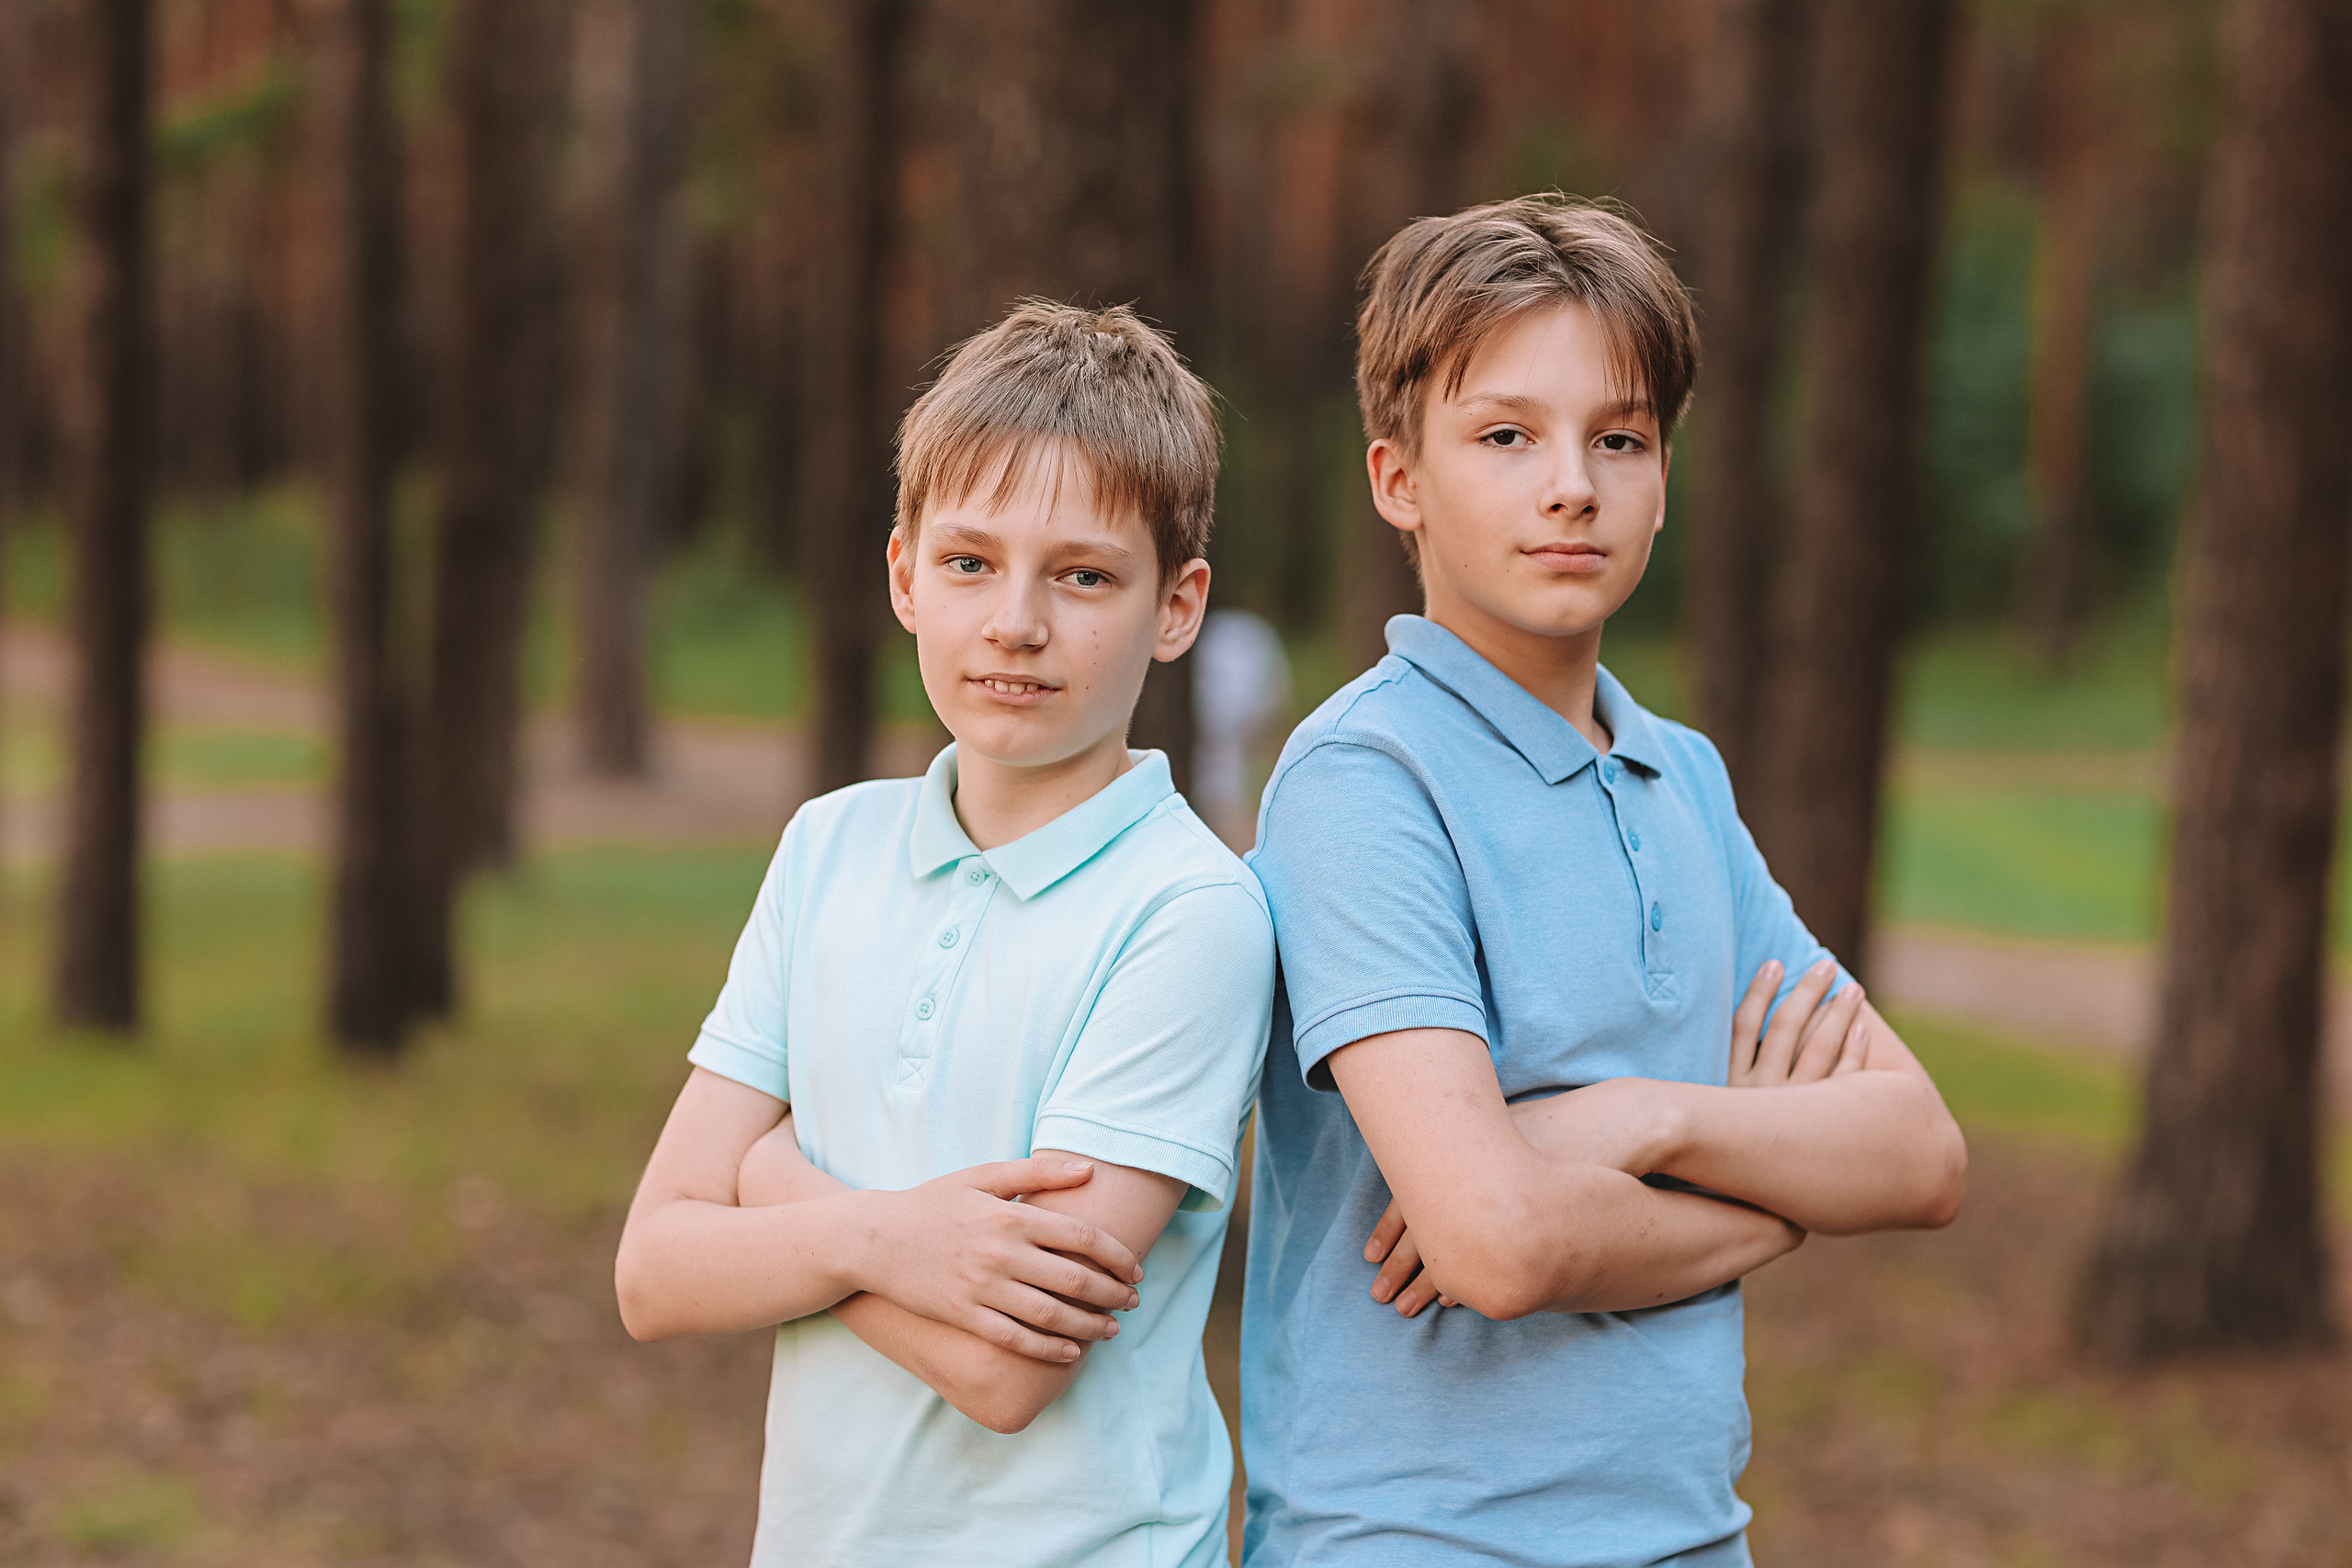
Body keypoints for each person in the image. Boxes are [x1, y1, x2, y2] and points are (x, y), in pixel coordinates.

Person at [1240, 195, 1969, 1567]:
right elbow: (1500, 1242)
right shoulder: (1365, 781)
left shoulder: (1679, 777)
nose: (1570, 482)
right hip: (1417, 1542)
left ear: (1662, 480)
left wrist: (1636, 1120)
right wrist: (1775, 1198)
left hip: (1695, 1540)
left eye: (1618, 438)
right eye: (1506, 436)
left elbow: (1918, 1154)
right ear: (1400, 479)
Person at [615, 300, 1274, 1568]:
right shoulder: (831, 848)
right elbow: (654, 1270)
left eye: (1083, 575)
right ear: (907, 575)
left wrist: (770, 1182)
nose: (1015, 623)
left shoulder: (1190, 911)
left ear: (1177, 606)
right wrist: (877, 1233)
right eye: (971, 563)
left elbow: (1002, 1369)